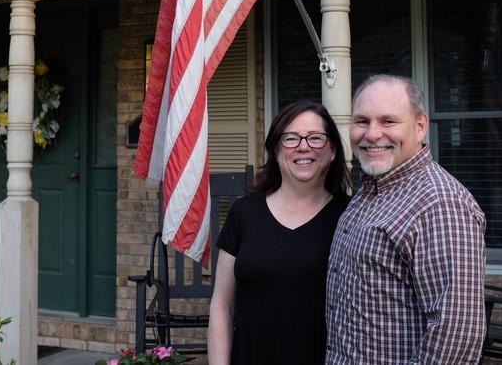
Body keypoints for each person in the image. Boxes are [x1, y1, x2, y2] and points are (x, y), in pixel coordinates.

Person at [326, 74, 486, 364]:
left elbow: (454, 336)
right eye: (362, 121)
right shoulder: (370, 191)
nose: (372, 134)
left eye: (388, 121)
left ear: (420, 126)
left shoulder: (439, 204)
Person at [208, 101, 352, 365]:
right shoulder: (244, 213)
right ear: (275, 149)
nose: (303, 146)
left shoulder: (350, 216)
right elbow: (222, 307)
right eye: (291, 138)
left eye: (316, 138)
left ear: (332, 150)